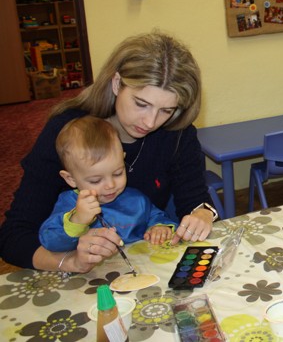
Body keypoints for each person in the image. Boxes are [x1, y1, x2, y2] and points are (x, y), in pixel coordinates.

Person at [0, 31, 219, 273]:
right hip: (73, 274)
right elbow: (13, 237)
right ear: (116, 84)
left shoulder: (176, 132)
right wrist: (70, 261)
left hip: (144, 267)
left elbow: (195, 201)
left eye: (166, 110)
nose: (150, 122)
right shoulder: (67, 132)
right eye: (141, 104)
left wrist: (202, 214)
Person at [40, 116, 177, 251]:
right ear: (71, 179)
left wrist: (160, 227)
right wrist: (77, 221)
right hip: (92, 265)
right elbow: (50, 242)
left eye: (118, 173)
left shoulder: (136, 199)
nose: (110, 185)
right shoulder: (69, 203)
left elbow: (157, 217)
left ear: (123, 159)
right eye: (96, 180)